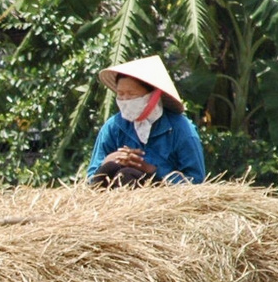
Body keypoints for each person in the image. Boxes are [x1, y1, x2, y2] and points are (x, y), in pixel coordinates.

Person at [87, 55, 207, 185]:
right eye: (120, 94)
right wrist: (108, 161)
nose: (125, 100)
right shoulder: (113, 126)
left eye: (132, 94)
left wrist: (151, 169)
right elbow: (90, 178)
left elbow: (196, 182)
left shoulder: (181, 129)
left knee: (127, 176)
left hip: (161, 196)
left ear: (153, 96)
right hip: (111, 197)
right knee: (111, 170)